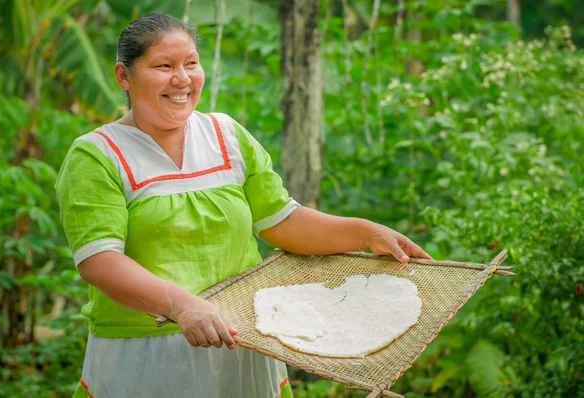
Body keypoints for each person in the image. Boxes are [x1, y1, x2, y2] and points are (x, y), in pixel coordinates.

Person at [56, 12, 431, 398]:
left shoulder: (226, 135)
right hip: (146, 356)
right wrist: (183, 306)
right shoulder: (98, 154)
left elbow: (283, 222)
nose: (182, 79)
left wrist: (365, 232)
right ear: (124, 76)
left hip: (244, 344)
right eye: (163, 66)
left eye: (191, 64)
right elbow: (99, 262)